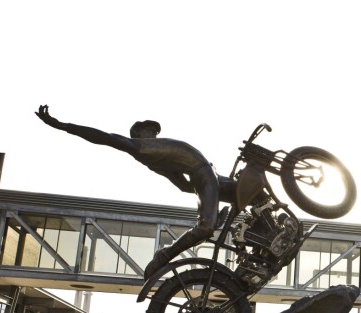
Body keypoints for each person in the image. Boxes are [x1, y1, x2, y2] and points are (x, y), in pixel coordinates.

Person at [35, 105, 266, 279]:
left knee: (251, 192)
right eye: (149, 131)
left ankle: (265, 229)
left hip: (207, 176)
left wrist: (210, 199)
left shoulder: (156, 156)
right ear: (138, 134)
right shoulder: (142, 148)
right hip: (204, 176)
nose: (154, 135)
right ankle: (165, 255)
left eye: (154, 131)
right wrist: (62, 126)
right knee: (205, 227)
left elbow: (184, 186)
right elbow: (103, 137)